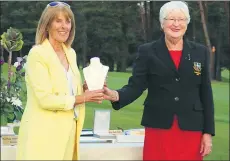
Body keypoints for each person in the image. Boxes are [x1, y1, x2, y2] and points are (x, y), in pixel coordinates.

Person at [104, 1, 215, 160]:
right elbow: (136, 86)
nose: (176, 24)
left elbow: (206, 94)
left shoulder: (201, 52)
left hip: (192, 129)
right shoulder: (147, 51)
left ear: (187, 23)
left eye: (181, 19)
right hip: (158, 128)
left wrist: (208, 133)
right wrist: (115, 95)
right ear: (162, 23)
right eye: (171, 19)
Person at [16, 2, 104, 160]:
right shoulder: (38, 54)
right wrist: (82, 98)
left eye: (68, 21)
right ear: (47, 25)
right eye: (58, 21)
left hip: (68, 134)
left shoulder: (71, 53)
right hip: (43, 135)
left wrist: (88, 88)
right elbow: (46, 99)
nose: (64, 26)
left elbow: (68, 91)